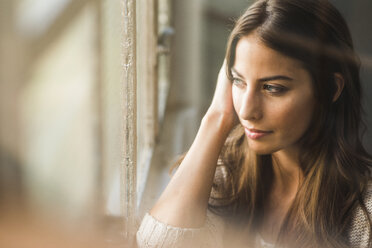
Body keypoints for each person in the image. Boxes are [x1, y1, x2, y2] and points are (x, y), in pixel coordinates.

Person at [136, 0, 372, 247]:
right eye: (238, 81)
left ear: (331, 88)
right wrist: (217, 116)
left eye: (272, 88)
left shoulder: (364, 212)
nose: (247, 111)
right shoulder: (224, 177)